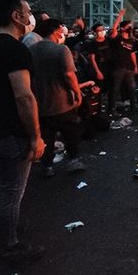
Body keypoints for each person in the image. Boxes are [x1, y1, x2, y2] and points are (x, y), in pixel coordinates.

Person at [0, 0, 45, 267]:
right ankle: (7, 245)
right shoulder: (13, 49)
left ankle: (4, 231)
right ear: (16, 16)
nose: (30, 17)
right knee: (11, 191)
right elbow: (24, 96)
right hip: (11, 133)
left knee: (6, 189)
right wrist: (36, 136)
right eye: (27, 11)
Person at [29, 19, 85, 177]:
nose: (63, 32)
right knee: (71, 132)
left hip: (40, 102)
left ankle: (46, 166)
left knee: (46, 135)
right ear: (54, 31)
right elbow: (69, 75)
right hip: (62, 102)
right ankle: (73, 160)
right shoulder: (61, 50)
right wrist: (77, 93)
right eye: (61, 29)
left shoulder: (31, 50)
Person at [109, 11, 138, 115]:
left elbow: (132, 54)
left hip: (129, 67)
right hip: (118, 67)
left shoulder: (131, 40)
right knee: (115, 89)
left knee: (132, 88)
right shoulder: (117, 38)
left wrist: (135, 66)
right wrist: (120, 16)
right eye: (128, 26)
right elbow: (114, 29)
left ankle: (133, 106)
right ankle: (112, 108)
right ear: (122, 28)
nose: (130, 28)